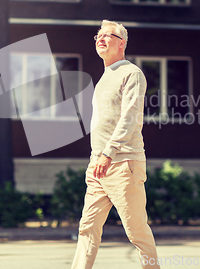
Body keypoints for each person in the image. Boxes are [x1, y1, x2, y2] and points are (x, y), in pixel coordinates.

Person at [71, 20, 160, 269]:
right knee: (87, 227)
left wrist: (108, 153)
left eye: (107, 35)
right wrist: (98, 157)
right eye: (97, 35)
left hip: (123, 163)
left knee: (137, 232)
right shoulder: (105, 77)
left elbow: (129, 118)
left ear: (121, 43)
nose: (100, 38)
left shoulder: (131, 74)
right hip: (98, 165)